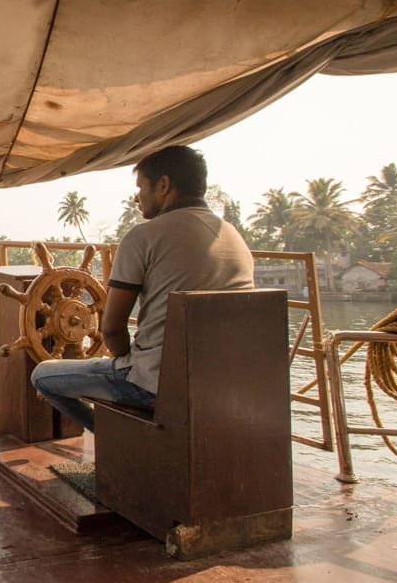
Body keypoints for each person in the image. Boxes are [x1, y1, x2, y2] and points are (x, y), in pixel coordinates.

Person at [31, 145, 255, 432]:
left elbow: (111, 329)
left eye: (140, 187)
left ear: (162, 185)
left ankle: (120, 439)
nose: (137, 197)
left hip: (157, 387)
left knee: (42, 375)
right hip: (227, 385)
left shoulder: (143, 237)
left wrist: (128, 363)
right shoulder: (235, 237)